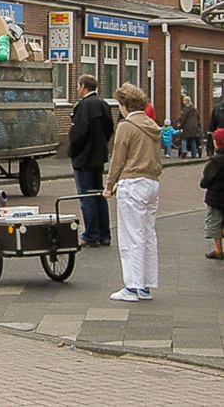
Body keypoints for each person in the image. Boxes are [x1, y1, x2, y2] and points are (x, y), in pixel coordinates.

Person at [103, 82, 162, 302]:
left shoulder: (126, 126)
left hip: (132, 184)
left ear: (124, 104)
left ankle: (132, 286)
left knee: (130, 236)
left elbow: (118, 159)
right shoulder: (151, 125)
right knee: (148, 234)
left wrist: (109, 186)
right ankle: (146, 284)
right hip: (152, 183)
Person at [68, 74, 115, 248]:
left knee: (86, 197)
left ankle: (90, 235)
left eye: (78, 86)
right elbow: (109, 128)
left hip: (84, 158)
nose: (78, 90)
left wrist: (73, 151)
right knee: (98, 195)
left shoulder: (83, 106)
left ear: (83, 86)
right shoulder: (104, 105)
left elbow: (79, 132)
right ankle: (104, 234)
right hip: (98, 156)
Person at [200, 128, 224, 260]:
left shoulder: (214, 162)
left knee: (215, 222)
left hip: (215, 198)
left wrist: (204, 183)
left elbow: (206, 180)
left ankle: (218, 249)